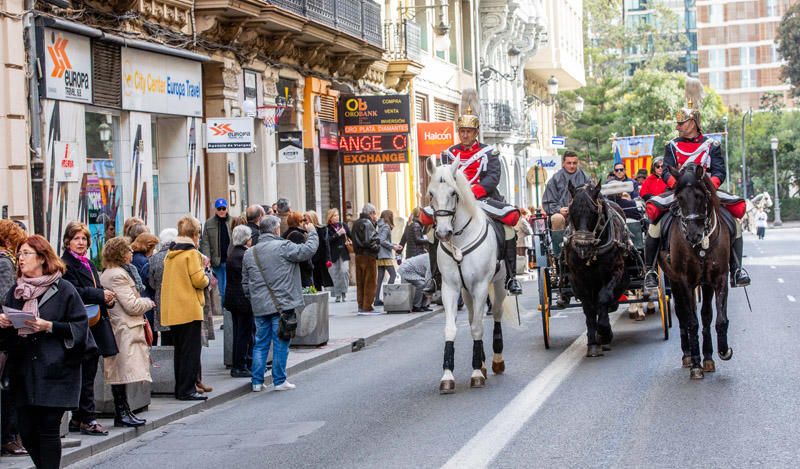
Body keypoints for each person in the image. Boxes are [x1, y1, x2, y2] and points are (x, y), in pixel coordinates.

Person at [644, 78, 749, 290]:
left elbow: (719, 170)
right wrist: (678, 185)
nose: (678, 126)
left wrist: (708, 186)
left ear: (692, 123)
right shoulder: (671, 145)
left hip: (707, 191)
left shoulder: (712, 145)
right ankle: (650, 271)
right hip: (679, 191)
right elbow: (665, 170)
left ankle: (737, 269)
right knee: (654, 225)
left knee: (734, 222)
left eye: (681, 123)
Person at [0, 235, 88, 469]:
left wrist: (49, 326)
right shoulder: (16, 292)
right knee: (27, 431)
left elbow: (80, 328)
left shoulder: (64, 289)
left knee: (48, 429)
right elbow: (6, 342)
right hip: (23, 371)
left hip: (56, 370)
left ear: (41, 257)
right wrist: (4, 324)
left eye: (26, 253)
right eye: (19, 254)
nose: (20, 259)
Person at [424, 108, 523, 296]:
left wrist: (471, 193)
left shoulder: (489, 152)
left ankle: (511, 277)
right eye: (462, 131)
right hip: (453, 201)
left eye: (469, 131)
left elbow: (493, 178)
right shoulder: (447, 154)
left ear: (476, 133)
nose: (465, 135)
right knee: (431, 231)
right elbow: (442, 179)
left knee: (508, 226)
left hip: (483, 198)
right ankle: (435, 277)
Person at [243, 215, 318, 392]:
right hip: (282, 304)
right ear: (276, 229)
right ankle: (279, 380)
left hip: (260, 306)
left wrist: (253, 299)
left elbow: (245, 283)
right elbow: (307, 250)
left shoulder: (249, 252)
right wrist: (313, 233)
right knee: (281, 341)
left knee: (260, 343)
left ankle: (256, 382)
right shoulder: (283, 247)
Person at [61, 222, 118, 437]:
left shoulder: (87, 262)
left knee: (90, 370)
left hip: (96, 321)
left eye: (84, 239)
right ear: (68, 241)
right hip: (81, 323)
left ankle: (79, 417)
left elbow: (95, 288)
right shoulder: (66, 264)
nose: (81, 243)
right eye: (76, 239)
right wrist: (99, 295)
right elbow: (74, 291)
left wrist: (107, 297)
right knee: (85, 372)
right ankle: (87, 418)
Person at [99, 237, 154, 427]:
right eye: (128, 250)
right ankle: (121, 412)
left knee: (121, 372)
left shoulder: (115, 272)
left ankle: (124, 410)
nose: (131, 253)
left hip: (122, 327)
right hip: (123, 328)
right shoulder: (117, 275)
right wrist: (148, 302)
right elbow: (131, 305)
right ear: (120, 253)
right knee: (120, 372)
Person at [160, 216, 210, 401]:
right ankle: (188, 389)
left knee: (180, 351)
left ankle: (180, 388)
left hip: (174, 309)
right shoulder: (192, 254)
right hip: (189, 308)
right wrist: (206, 275)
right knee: (190, 352)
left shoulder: (171, 253)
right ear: (195, 234)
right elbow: (199, 280)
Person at [0, 220, 27, 456]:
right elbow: (7, 297)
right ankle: (8, 437)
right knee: (8, 385)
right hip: (6, 333)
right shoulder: (6, 262)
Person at [225, 225, 254, 378]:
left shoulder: (233, 253)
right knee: (244, 333)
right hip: (242, 300)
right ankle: (240, 365)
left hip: (234, 299)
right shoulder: (244, 255)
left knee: (239, 332)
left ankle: (241, 363)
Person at [542, 150, 591, 230]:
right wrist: (559, 210)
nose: (572, 166)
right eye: (569, 163)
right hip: (562, 215)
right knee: (557, 218)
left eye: (574, 163)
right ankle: (558, 242)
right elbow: (547, 202)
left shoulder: (585, 178)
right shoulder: (555, 179)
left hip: (582, 214)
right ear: (563, 163)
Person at [200, 198, 232, 307]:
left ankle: (228, 316)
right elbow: (205, 242)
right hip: (217, 261)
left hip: (230, 261)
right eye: (219, 209)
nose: (222, 211)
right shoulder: (209, 223)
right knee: (222, 290)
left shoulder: (232, 221)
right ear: (216, 210)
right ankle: (226, 315)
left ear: (227, 208)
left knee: (229, 288)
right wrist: (207, 257)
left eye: (224, 208)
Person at [148, 228, 178, 346]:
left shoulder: (154, 259)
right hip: (177, 301)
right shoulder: (178, 256)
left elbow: (151, 283)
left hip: (161, 300)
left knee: (166, 337)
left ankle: (168, 361)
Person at [350, 204, 380, 314]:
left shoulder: (356, 223)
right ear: (371, 213)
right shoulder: (367, 223)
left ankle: (361, 304)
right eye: (374, 213)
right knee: (370, 282)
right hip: (368, 256)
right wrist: (377, 247)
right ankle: (367, 305)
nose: (375, 216)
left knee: (360, 281)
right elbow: (369, 240)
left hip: (359, 255)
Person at [131, 233, 159, 344]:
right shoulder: (145, 262)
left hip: (135, 299)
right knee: (150, 335)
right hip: (146, 299)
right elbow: (151, 282)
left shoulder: (133, 257)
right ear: (149, 247)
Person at [374, 210, 402, 307]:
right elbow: (382, 240)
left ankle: (377, 299)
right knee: (393, 275)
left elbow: (382, 240)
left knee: (380, 278)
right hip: (385, 255)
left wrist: (394, 244)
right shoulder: (386, 226)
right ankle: (387, 297)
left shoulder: (379, 225)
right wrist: (393, 247)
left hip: (380, 254)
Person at [325, 208, 351, 303]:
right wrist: (337, 234)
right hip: (333, 254)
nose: (337, 217)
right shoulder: (327, 229)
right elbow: (327, 241)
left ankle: (344, 292)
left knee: (344, 272)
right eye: (334, 215)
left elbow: (351, 235)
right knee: (335, 274)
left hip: (343, 253)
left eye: (337, 215)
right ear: (330, 218)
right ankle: (337, 294)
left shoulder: (343, 225)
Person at [282, 211, 314, 288]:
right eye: (303, 220)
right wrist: (310, 266)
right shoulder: (298, 235)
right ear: (299, 222)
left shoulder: (285, 234)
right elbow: (303, 254)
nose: (304, 222)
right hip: (300, 273)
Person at [305, 211, 332, 292]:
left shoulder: (322, 230)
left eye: (306, 220)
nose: (305, 222)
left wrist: (328, 259)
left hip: (319, 260)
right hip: (308, 259)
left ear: (312, 219)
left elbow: (326, 245)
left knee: (318, 283)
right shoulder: (304, 230)